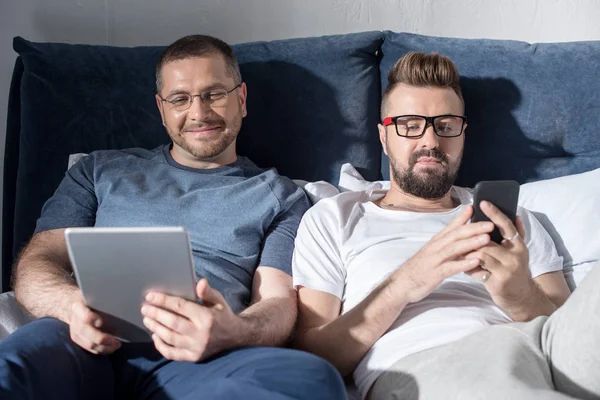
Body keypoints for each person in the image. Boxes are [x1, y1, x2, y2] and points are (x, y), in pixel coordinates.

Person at [0, 34, 345, 400]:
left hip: (202, 359)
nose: (199, 113)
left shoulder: (280, 195)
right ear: (161, 109)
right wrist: (70, 305)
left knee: (313, 379)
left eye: (214, 94)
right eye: (180, 99)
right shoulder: (98, 171)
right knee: (10, 368)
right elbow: (38, 262)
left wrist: (233, 330)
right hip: (79, 342)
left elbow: (277, 302)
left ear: (240, 99)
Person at [291, 52, 600, 400]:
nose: (430, 141)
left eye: (446, 126)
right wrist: (407, 281)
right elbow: (313, 355)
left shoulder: (509, 217)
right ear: (383, 137)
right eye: (410, 125)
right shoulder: (335, 217)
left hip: (538, 349)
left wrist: (519, 295)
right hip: (424, 364)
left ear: (462, 133)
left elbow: (567, 328)